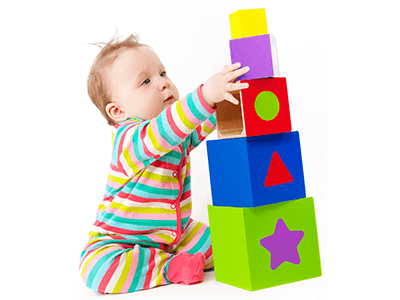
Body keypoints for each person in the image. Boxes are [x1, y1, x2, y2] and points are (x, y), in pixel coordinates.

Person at [79, 33, 249, 294]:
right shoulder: (130, 140)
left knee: (231, 244)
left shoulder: (174, 132)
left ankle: (169, 258)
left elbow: (192, 125)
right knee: (96, 270)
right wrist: (205, 95)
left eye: (163, 73)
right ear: (117, 111)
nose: (163, 84)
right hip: (121, 241)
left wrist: (221, 99)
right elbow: (164, 130)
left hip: (175, 234)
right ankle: (168, 269)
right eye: (146, 81)